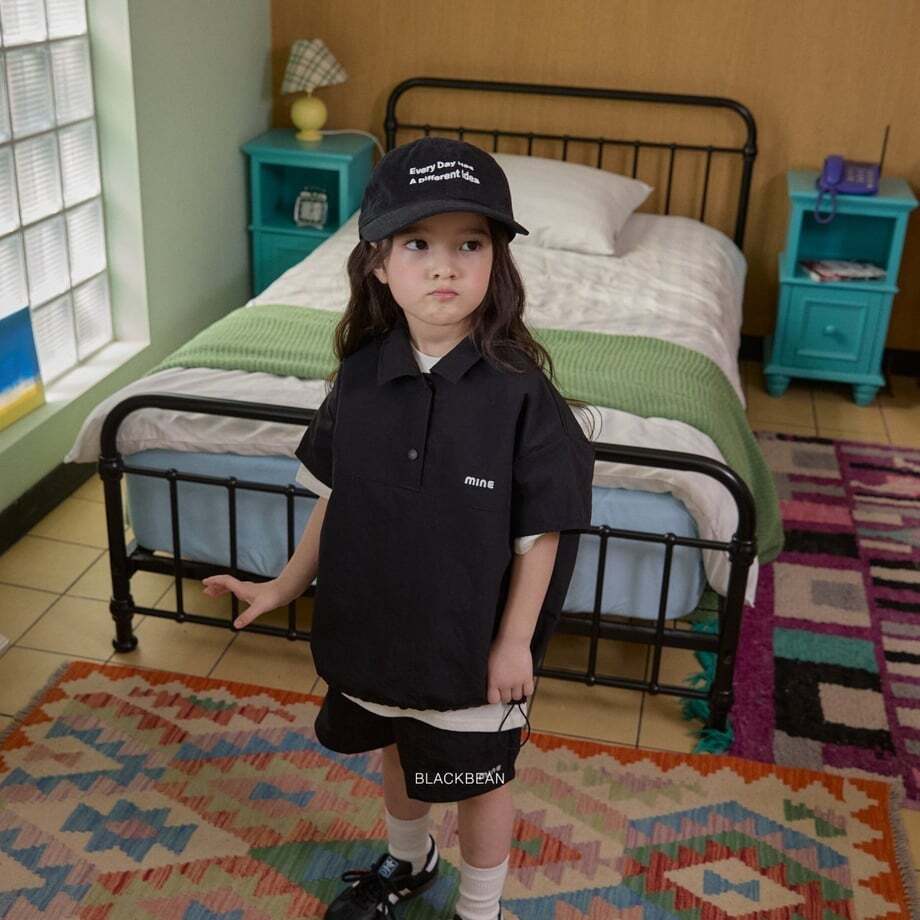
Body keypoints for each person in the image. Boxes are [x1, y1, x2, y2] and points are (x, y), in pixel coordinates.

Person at [202, 136, 596, 920]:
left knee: (481, 781)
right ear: (379, 263)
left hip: (471, 645)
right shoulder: (359, 377)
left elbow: (542, 534)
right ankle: (409, 862)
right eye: (418, 244)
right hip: (377, 624)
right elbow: (334, 495)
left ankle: (479, 908)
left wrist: (515, 643)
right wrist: (284, 583)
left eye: (469, 245)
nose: (444, 267)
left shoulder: (522, 396)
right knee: (396, 745)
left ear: (497, 261)